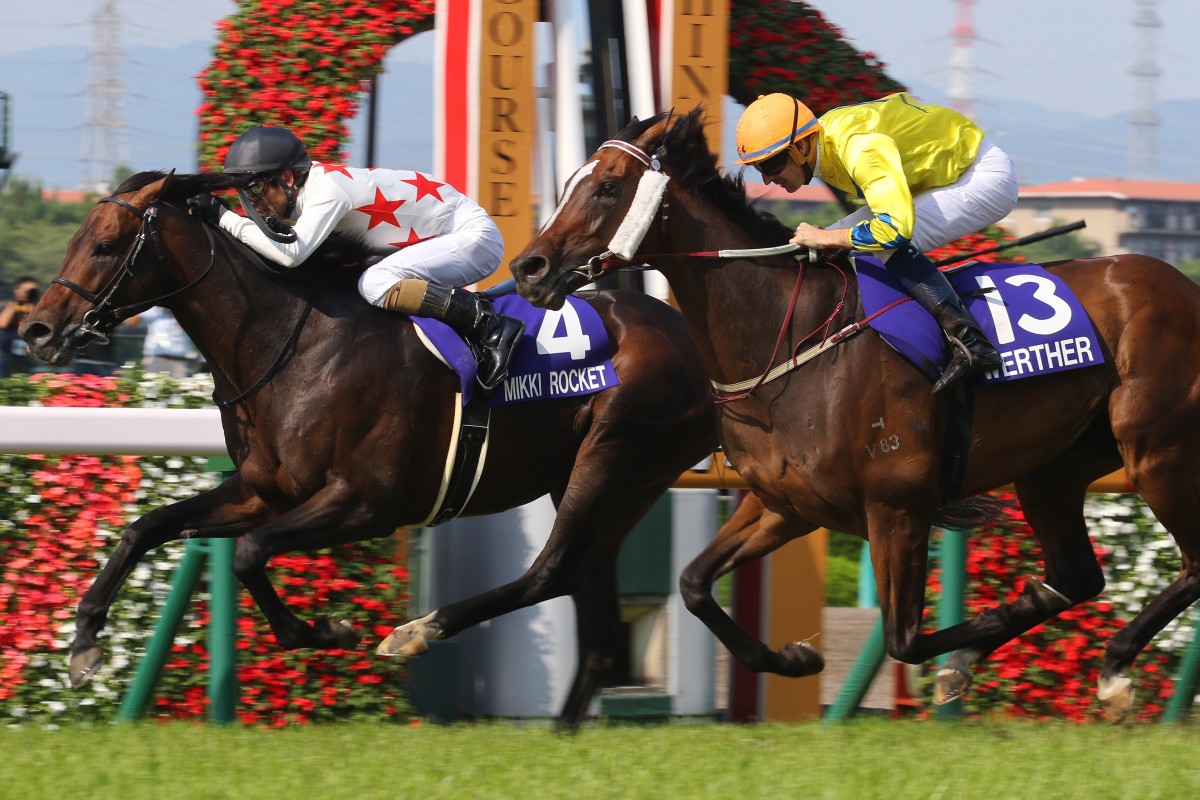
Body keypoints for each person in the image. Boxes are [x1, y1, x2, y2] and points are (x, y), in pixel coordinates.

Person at [188, 126, 523, 391]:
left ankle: (490, 325)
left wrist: (223, 217)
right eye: (245, 193)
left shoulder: (327, 192)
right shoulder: (305, 194)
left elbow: (289, 256)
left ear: (287, 179)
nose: (254, 202)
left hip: (471, 236)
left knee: (375, 282)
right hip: (446, 233)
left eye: (257, 190)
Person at [734, 92, 1018, 394]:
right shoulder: (827, 143)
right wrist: (827, 238)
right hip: (948, 174)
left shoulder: (857, 147)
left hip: (983, 177)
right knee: (821, 244)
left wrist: (830, 237)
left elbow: (895, 230)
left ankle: (970, 341)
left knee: (878, 242)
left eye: (772, 165)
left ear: (802, 146)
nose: (767, 180)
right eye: (759, 169)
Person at [129, 306, 199, 379]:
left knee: (178, 390)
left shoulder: (186, 310)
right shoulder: (154, 309)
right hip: (156, 360)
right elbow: (131, 323)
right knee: (151, 389)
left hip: (179, 362)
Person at [0, 276, 42, 377]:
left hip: (29, 359)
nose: (28, 293)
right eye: (25, 290)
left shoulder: (39, 309)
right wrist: (19, 303)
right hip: (7, 355)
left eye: (32, 291)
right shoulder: (13, 306)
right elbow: (2, 324)